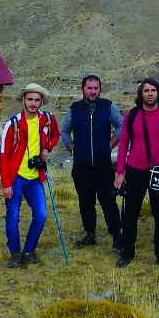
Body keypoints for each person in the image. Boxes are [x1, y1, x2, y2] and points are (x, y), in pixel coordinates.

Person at [114, 78, 159, 268]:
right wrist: (120, 172)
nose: (149, 93)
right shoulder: (132, 115)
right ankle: (127, 252)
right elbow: (123, 145)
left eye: (153, 90)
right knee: (129, 214)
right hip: (135, 170)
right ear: (141, 94)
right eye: (146, 91)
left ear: (158, 93)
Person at [0, 83, 61, 267]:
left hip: (35, 178)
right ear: (23, 100)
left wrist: (47, 149)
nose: (33, 103)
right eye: (30, 99)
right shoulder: (13, 124)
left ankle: (29, 250)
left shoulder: (47, 120)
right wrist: (6, 184)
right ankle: (15, 253)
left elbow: (55, 135)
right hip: (16, 178)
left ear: (42, 101)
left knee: (40, 215)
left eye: (37, 100)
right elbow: (3, 155)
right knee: (13, 216)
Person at [62, 74, 123, 250]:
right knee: (85, 203)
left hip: (103, 166)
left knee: (108, 202)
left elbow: (120, 127)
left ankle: (117, 238)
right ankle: (90, 234)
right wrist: (72, 148)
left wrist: (110, 145)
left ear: (100, 89)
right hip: (81, 167)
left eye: (96, 88)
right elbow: (65, 132)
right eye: (89, 88)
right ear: (83, 90)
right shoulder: (73, 109)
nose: (93, 91)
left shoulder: (108, 106)